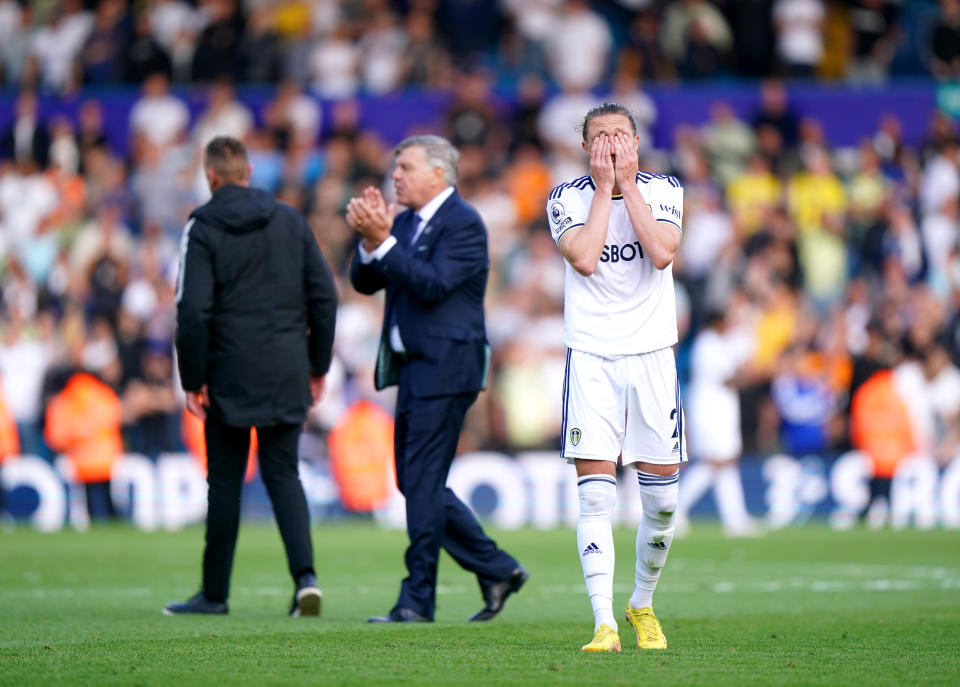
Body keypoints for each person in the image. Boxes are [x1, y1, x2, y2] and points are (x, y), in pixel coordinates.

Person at [346, 134, 527, 623]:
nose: (395, 176)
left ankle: (417, 598)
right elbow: (365, 282)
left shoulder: (463, 224)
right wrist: (370, 243)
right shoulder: (404, 222)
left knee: (420, 480)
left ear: (438, 174)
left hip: (448, 364)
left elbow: (431, 285)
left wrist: (383, 242)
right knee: (415, 481)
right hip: (416, 367)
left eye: (405, 167)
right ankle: (496, 568)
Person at [165, 136, 337, 617]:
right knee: (284, 473)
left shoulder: (201, 226)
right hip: (286, 367)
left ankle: (214, 594)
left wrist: (191, 377)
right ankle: (306, 578)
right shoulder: (289, 218)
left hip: (228, 369)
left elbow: (192, 311)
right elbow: (324, 296)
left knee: (224, 480)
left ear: (211, 175)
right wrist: (317, 365)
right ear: (248, 171)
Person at [547, 103, 684, 652]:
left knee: (664, 503)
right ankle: (604, 621)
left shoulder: (666, 188)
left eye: (619, 136)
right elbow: (582, 258)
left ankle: (642, 603)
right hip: (592, 356)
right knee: (595, 499)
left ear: (636, 141)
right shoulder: (567, 197)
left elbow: (661, 252)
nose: (609, 144)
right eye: (599, 137)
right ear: (585, 148)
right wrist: (607, 189)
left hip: (652, 354)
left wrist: (630, 187)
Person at [676, 306, 759, 537]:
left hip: (722, 412)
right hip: (710, 414)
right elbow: (729, 378)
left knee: (727, 464)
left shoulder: (719, 343)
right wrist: (758, 374)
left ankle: (735, 519)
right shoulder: (708, 344)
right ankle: (676, 507)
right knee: (715, 462)